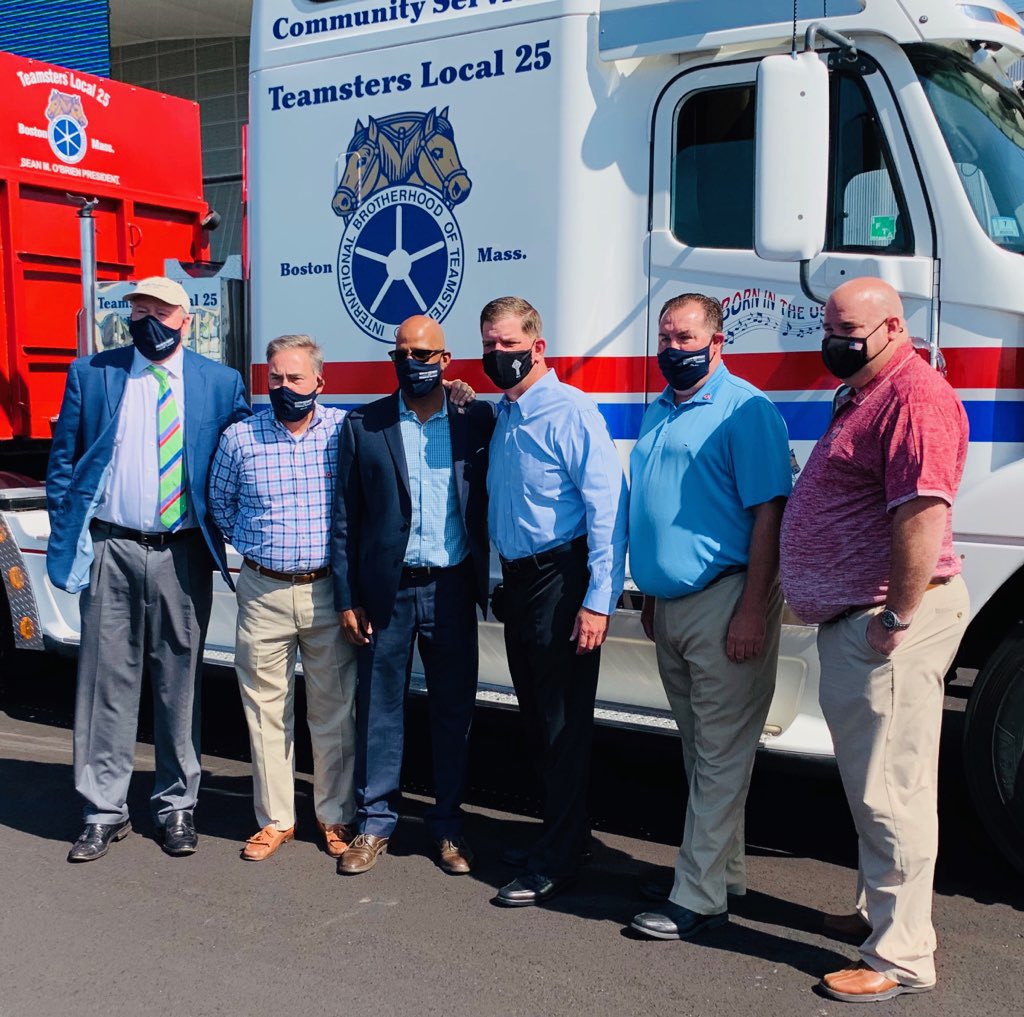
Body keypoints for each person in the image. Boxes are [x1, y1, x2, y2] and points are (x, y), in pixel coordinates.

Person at [779, 277, 970, 1003]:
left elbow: (921, 516)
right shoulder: (866, 390)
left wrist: (895, 618)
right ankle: (876, 913)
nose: (836, 341)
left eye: (850, 330)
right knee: (875, 781)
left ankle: (901, 955)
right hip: (862, 619)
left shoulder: (914, 396)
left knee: (891, 791)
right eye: (830, 326)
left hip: (885, 622)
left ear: (894, 326)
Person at [46, 276, 249, 862]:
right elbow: (65, 464)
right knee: (104, 683)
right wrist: (70, 534)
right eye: (137, 310)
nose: (146, 320)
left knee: (178, 683)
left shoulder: (220, 382)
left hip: (182, 552)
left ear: (185, 319)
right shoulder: (94, 373)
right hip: (112, 546)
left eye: (159, 311)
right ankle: (102, 809)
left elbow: (242, 459)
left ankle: (176, 805)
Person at [627, 293, 792, 940]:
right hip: (672, 608)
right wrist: (652, 598)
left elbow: (768, 514)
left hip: (727, 601)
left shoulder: (743, 408)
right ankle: (723, 875)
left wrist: (753, 608)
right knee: (705, 752)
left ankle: (696, 895)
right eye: (665, 336)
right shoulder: (660, 407)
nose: (674, 347)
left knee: (720, 752)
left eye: (687, 336)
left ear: (718, 341)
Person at [332, 315, 493, 876]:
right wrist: (348, 598)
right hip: (387, 592)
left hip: (451, 588)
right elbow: (346, 521)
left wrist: (462, 396)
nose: (413, 363)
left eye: (425, 354)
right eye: (403, 353)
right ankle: (374, 824)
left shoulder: (476, 420)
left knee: (453, 713)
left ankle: (447, 827)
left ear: (446, 362)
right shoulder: (364, 425)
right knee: (379, 711)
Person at [482, 296, 627, 907]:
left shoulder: (570, 412)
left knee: (565, 724)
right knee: (539, 721)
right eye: (490, 345)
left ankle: (558, 862)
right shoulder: (506, 414)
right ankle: (563, 836)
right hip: (520, 583)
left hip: (562, 583)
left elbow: (606, 511)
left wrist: (598, 601)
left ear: (538, 347)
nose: (498, 356)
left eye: (509, 346)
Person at [209, 335, 357, 862]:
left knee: (333, 711)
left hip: (325, 593)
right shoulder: (240, 438)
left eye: (295, 378)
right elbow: (220, 505)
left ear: (321, 381)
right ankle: (276, 820)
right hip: (262, 590)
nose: (284, 387)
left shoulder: (344, 432)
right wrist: (254, 551)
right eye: (275, 378)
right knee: (265, 710)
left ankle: (334, 816)